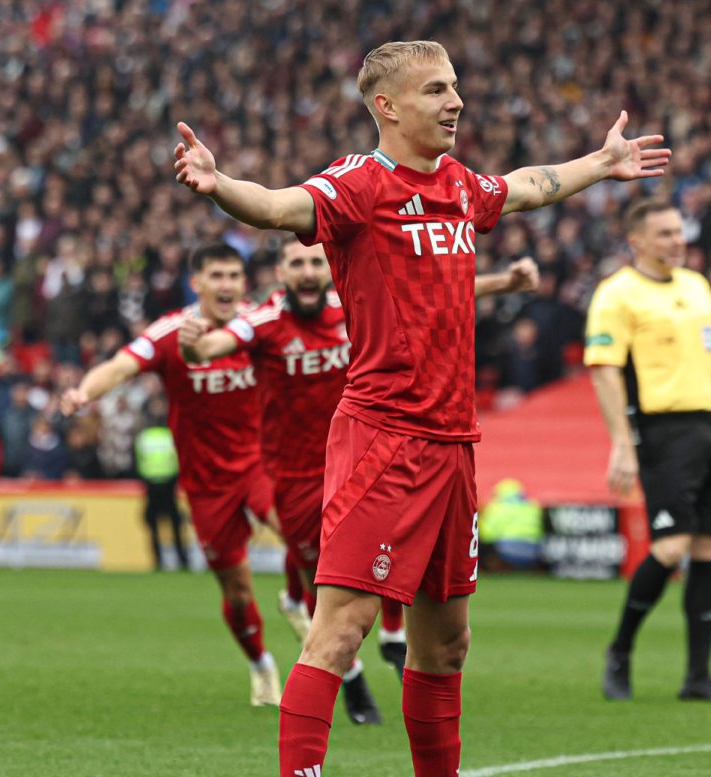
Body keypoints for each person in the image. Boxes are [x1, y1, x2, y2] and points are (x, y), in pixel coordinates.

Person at [172, 39, 669, 777]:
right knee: (341, 631)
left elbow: (530, 185)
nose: (456, 102)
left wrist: (603, 161)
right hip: (382, 440)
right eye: (437, 90)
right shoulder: (359, 186)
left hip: (453, 446)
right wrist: (220, 186)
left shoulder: (460, 187)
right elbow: (277, 206)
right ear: (388, 107)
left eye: (457, 87)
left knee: (447, 643)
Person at [182, 239, 539, 691]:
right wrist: (194, 349)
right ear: (281, 274)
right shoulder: (265, 322)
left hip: (357, 453)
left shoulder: (352, 303)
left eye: (315, 261)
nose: (308, 271)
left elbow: (433, 290)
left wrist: (505, 282)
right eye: (297, 263)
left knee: (387, 545)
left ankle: (389, 633)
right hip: (293, 476)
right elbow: (216, 344)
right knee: (322, 576)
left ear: (329, 268)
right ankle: (344, 669)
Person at [62, 244, 301, 710]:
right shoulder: (171, 333)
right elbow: (120, 365)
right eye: (218, 276)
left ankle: (294, 599)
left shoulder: (258, 326)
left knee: (303, 535)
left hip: (262, 464)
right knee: (237, 591)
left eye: (235, 275)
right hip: (207, 483)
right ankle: (261, 665)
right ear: (198, 283)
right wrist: (83, 393)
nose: (228, 285)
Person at [585, 198, 711, 704]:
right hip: (659, 430)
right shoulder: (618, 295)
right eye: (665, 234)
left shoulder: (696, 287)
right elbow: (605, 369)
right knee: (671, 546)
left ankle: (698, 676)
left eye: (679, 231)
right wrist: (623, 443)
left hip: (705, 425)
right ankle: (620, 651)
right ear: (637, 242)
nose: (678, 240)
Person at [135, 396, 191, 572]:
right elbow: (180, 460)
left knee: (153, 526)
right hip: (169, 486)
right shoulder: (171, 436)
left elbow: (138, 462)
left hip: (151, 486)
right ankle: (182, 560)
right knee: (175, 526)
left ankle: (158, 561)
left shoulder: (143, 438)